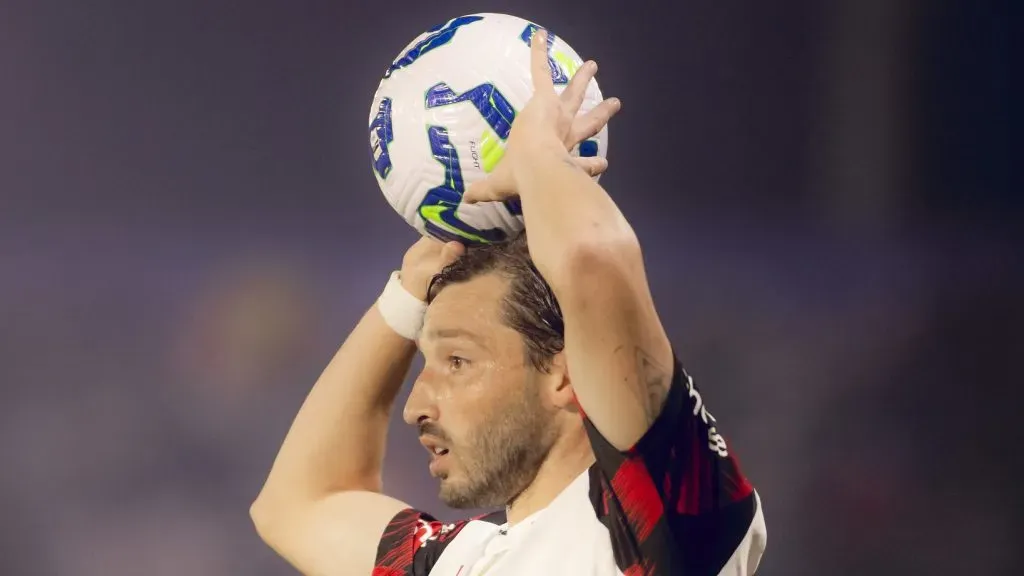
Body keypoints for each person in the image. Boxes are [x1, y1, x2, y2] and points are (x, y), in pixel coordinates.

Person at [250, 30, 766, 575]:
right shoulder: (464, 562)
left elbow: (593, 261)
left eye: (457, 361)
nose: (415, 405)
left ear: (566, 375)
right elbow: (299, 504)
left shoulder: (672, 522)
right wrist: (405, 295)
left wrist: (539, 154)